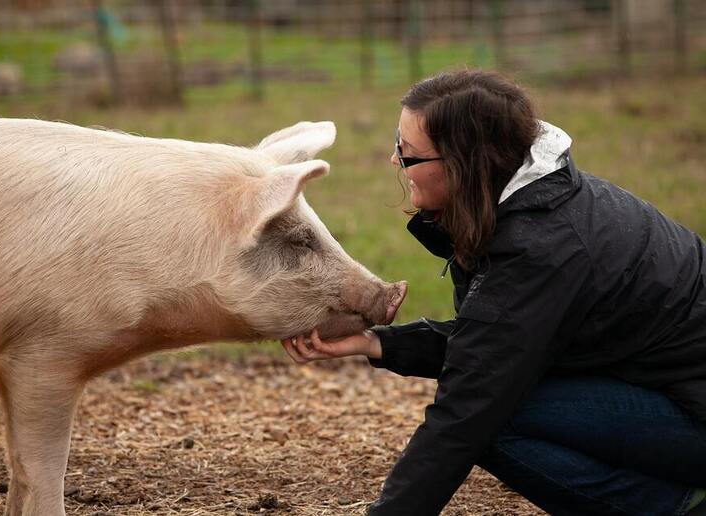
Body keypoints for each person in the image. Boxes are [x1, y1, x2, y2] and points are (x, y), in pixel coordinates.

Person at [281, 70, 706, 515]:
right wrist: (378, 343)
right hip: (668, 386)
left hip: (693, 410)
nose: (394, 161)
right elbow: (501, 339)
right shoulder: (536, 198)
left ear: (463, 164)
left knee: (497, 419)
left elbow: (470, 405)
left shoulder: (541, 247)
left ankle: (674, 506)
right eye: (396, 143)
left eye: (408, 154)